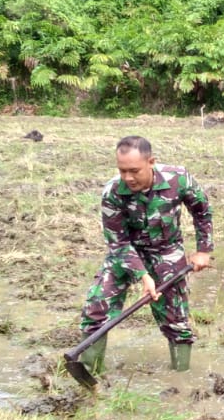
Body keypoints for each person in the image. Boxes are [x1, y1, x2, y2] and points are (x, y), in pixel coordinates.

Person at [77, 135, 213, 375]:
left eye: (134, 171)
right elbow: (118, 243)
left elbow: (202, 210)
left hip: (166, 250)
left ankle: (181, 377)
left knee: (175, 318)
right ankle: (90, 371)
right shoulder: (113, 193)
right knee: (97, 305)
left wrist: (203, 250)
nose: (128, 178)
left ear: (151, 162)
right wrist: (142, 275)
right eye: (122, 171)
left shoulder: (178, 179)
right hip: (126, 250)